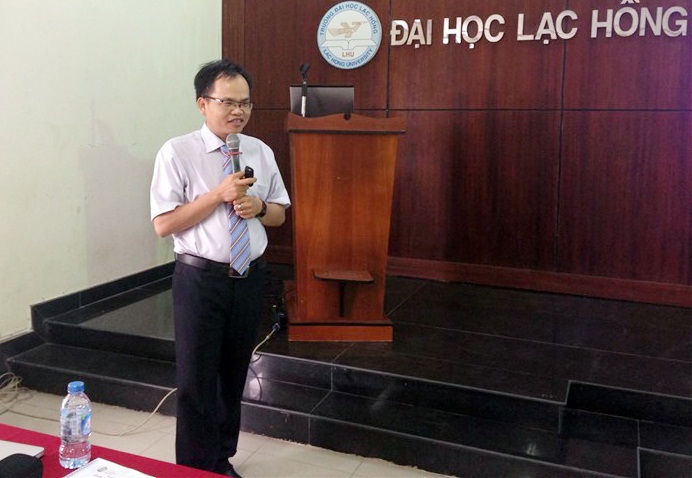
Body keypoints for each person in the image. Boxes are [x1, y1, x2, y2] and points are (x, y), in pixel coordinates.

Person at [149, 59, 290, 477]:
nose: (238, 111)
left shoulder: (259, 151)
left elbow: (279, 213)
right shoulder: (177, 152)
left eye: (245, 103)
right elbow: (164, 224)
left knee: (233, 375)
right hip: (200, 280)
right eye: (228, 102)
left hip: (249, 277)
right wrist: (217, 195)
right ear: (202, 103)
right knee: (196, 381)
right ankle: (195, 469)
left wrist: (259, 206)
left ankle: (221, 460)